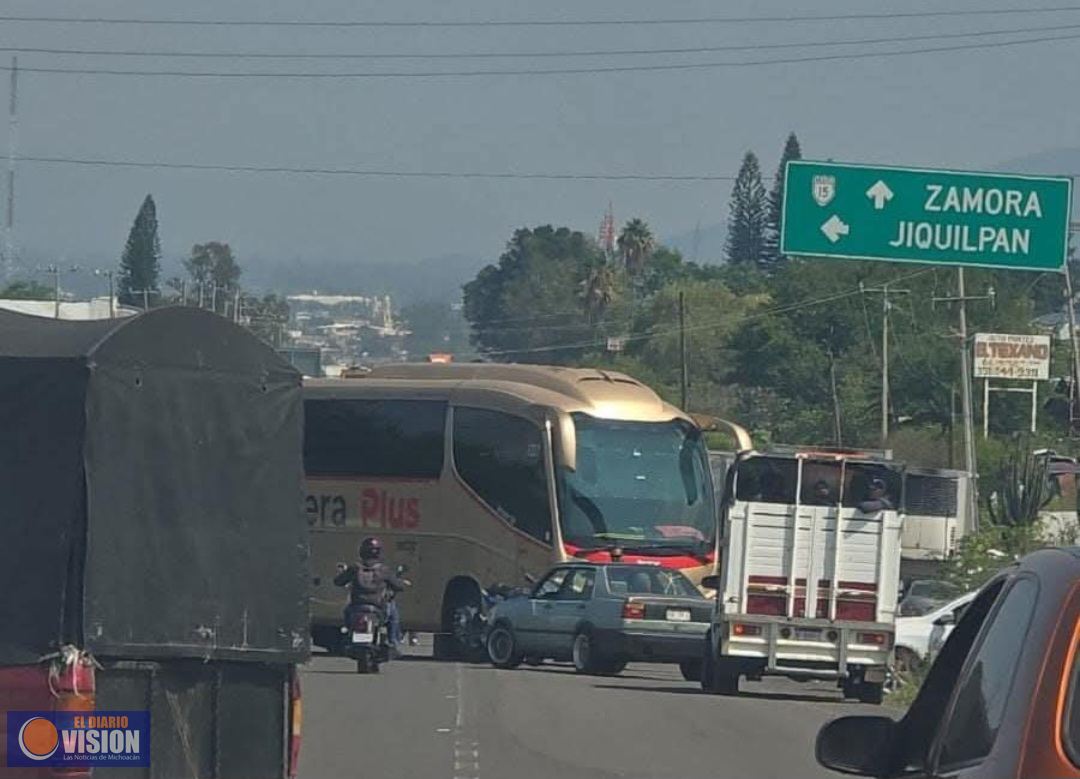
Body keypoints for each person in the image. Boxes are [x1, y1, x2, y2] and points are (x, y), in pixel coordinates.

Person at [334, 537, 405, 650]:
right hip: (378, 607)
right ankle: (393, 641)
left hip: (357, 606)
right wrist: (401, 583)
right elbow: (398, 586)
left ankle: (349, 633)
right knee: (393, 613)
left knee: (347, 612)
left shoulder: (354, 568)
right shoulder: (383, 570)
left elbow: (338, 582)